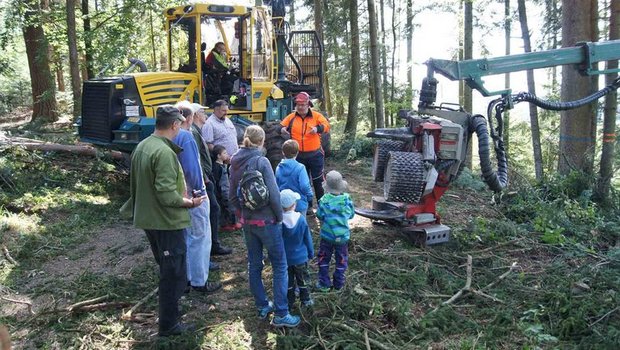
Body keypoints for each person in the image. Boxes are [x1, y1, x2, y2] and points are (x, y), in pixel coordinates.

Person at [120, 105, 207, 336]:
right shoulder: (165, 153)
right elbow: (167, 194)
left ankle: (171, 317)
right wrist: (190, 202)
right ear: (175, 125)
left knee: (168, 269)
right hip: (166, 222)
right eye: (179, 125)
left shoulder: (143, 146)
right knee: (174, 275)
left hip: (149, 219)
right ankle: (169, 326)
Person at [229, 125, 301, 328]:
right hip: (268, 222)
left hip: (248, 223)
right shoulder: (262, 161)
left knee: (254, 264)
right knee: (279, 265)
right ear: (262, 142)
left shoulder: (234, 161)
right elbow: (274, 194)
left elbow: (232, 196)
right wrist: (279, 217)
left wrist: (241, 215)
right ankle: (281, 313)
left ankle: (262, 305)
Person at [173, 101, 223, 292]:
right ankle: (199, 281)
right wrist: (199, 191)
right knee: (200, 237)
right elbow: (193, 168)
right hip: (194, 194)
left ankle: (186, 277)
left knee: (187, 237)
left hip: (179, 194)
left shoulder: (171, 136)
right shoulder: (186, 137)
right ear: (190, 117)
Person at [191, 103, 232, 258]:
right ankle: (212, 246)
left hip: (207, 176)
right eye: (202, 112)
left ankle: (212, 244)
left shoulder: (197, 131)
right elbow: (196, 158)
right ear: (195, 115)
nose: (205, 115)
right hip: (204, 178)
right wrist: (206, 177)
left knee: (214, 208)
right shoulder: (193, 133)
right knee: (213, 209)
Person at [280, 92, 330, 210]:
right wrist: (282, 129)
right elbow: (280, 126)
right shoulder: (291, 117)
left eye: (303, 104)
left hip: (315, 155)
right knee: (303, 182)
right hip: (299, 156)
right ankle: (307, 207)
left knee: (318, 181)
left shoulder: (317, 116)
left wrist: (317, 128)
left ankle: (321, 207)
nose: (300, 107)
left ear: (308, 105)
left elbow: (327, 126)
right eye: (298, 105)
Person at [201, 99, 237, 255]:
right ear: (215, 109)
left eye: (226, 110)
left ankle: (232, 218)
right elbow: (209, 145)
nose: (225, 113)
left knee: (231, 190)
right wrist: (222, 157)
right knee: (223, 191)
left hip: (231, 161)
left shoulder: (226, 120)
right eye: (223, 110)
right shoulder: (209, 125)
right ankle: (225, 221)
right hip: (221, 164)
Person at [315, 170, 355, 292]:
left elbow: (319, 215)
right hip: (342, 237)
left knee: (323, 259)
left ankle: (324, 283)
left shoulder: (323, 200)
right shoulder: (347, 200)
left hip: (327, 236)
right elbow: (351, 215)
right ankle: (338, 284)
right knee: (341, 260)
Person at [279, 189, 314, 309]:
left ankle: (289, 301)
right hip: (300, 258)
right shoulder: (301, 219)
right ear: (294, 205)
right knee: (303, 279)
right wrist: (311, 252)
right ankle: (306, 300)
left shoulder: (279, 223)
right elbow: (307, 238)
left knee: (288, 281)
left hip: (285, 259)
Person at [275, 139, 314, 217]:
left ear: (283, 152)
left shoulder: (278, 168)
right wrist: (310, 196)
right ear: (297, 152)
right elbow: (305, 185)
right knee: (300, 225)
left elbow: (277, 185)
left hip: (284, 204)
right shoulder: (300, 168)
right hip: (299, 203)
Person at [212, 144, 240, 231]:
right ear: (218, 156)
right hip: (222, 191)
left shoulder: (223, 166)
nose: (226, 154)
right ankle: (228, 224)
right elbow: (218, 181)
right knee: (227, 207)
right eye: (224, 153)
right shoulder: (217, 167)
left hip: (226, 189)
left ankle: (232, 222)